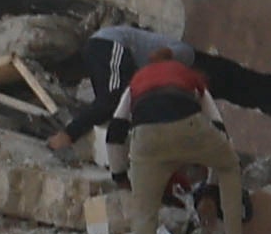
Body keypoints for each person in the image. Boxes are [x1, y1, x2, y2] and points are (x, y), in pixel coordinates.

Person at [112, 48, 249, 234]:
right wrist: (210, 190)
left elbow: (115, 129)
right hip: (189, 128)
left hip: (147, 139)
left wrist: (120, 177)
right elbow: (218, 127)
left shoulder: (136, 81)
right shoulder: (187, 76)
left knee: (144, 215)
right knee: (230, 166)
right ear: (172, 62)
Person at [45, 24, 193, 172]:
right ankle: (67, 136)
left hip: (107, 48)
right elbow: (158, 57)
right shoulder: (188, 55)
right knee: (111, 100)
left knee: (111, 106)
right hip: (112, 44)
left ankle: (106, 154)